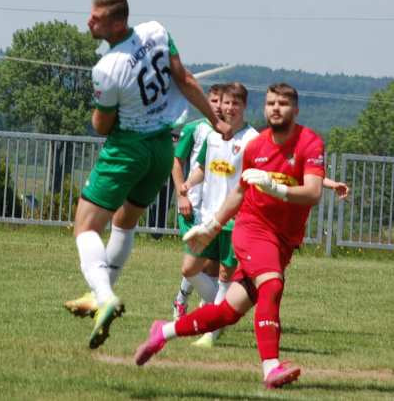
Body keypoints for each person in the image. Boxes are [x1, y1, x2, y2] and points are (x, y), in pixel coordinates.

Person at [62, 0, 232, 350]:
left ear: (118, 22)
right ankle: (100, 293)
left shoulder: (106, 69)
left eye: (96, 18)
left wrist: (97, 113)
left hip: (128, 147)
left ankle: (104, 295)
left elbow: (103, 126)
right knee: (124, 223)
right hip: (160, 148)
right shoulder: (156, 31)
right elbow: (184, 79)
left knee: (86, 226)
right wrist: (213, 118)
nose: (89, 22)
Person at [134, 83, 324, 389]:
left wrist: (277, 188)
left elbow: (313, 192)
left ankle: (163, 332)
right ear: (265, 108)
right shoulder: (256, 146)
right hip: (252, 228)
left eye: (283, 104)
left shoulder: (310, 143)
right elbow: (239, 192)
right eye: (271, 103)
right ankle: (271, 368)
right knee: (271, 285)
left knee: (227, 313)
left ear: (296, 110)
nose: (276, 108)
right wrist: (211, 227)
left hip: (283, 240)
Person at [176, 82, 257, 347]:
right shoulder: (211, 135)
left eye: (235, 103)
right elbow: (202, 166)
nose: (229, 108)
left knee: (224, 275)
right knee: (189, 268)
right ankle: (221, 313)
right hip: (208, 218)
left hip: (236, 219)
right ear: (218, 105)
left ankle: (212, 332)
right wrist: (189, 184)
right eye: (225, 103)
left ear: (244, 106)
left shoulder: (252, 139)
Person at [169, 84, 223, 318]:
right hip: (193, 204)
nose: (219, 106)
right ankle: (183, 301)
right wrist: (182, 195)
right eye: (214, 101)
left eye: (224, 101)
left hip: (218, 205)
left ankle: (205, 310)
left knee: (211, 262)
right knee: (195, 257)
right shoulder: (195, 128)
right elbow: (177, 161)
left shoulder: (230, 132)